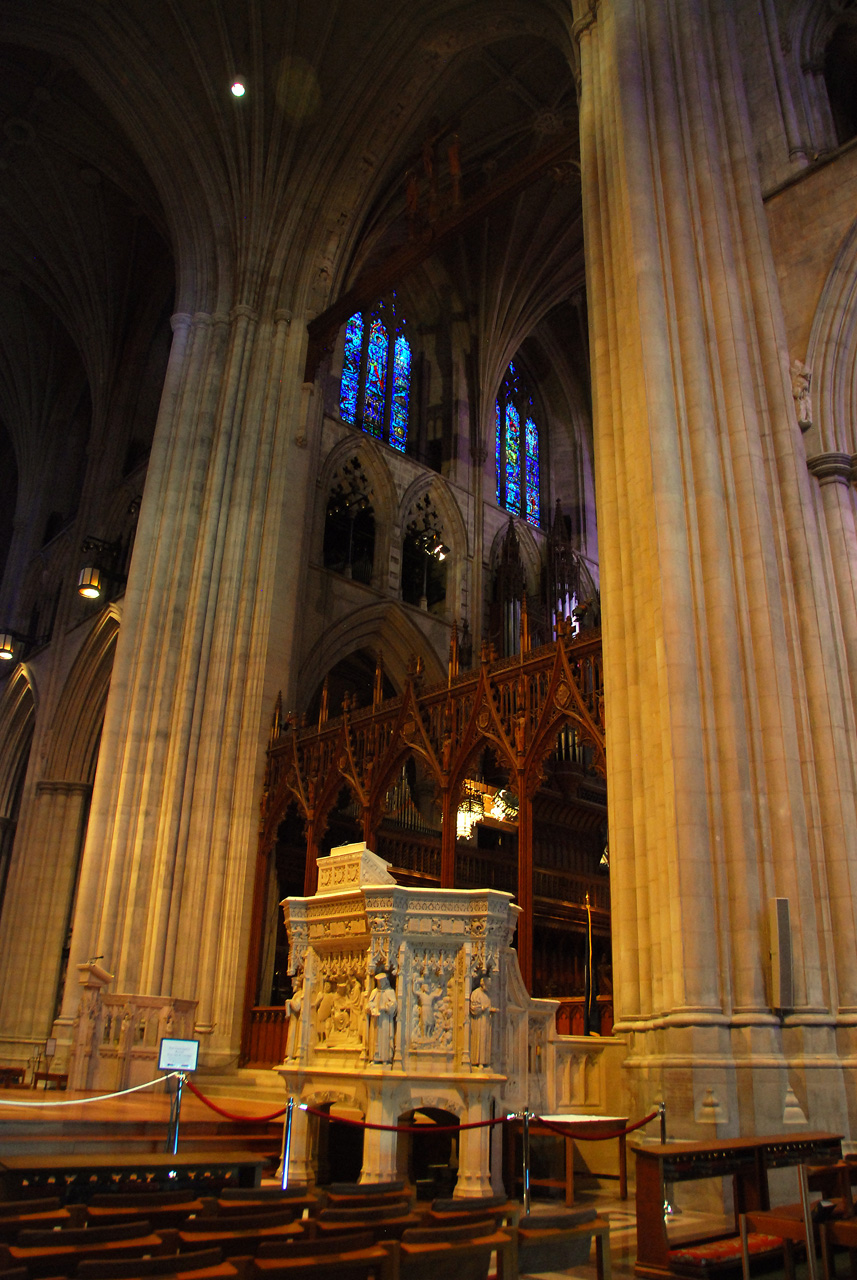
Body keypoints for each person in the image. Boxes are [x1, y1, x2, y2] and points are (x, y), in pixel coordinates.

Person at [367, 972, 397, 1063]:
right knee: (375, 1038)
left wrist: (385, 1007)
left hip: (385, 1019)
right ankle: (375, 1057)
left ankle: (385, 1058)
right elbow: (369, 1003)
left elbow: (394, 1004)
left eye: (381, 981)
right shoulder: (374, 992)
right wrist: (372, 1008)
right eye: (378, 982)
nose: (379, 983)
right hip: (375, 1019)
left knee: (384, 1038)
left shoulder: (390, 991)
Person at [470, 975, 497, 1067]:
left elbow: (488, 1006)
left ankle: (485, 1061)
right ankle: (478, 1061)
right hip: (479, 1021)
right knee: (480, 1040)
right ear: (483, 983)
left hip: (486, 1021)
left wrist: (491, 1010)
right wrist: (482, 1008)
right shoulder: (476, 993)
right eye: (488, 984)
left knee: (486, 1040)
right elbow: (473, 1008)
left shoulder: (487, 995)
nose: (489, 987)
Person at [285, 975, 302, 1060]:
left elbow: (297, 1006)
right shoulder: (297, 994)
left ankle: (296, 1055)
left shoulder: (301, 994)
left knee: (295, 1037)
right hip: (294, 1019)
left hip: (298, 1021)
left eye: (294, 985)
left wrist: (289, 1002)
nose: (292, 987)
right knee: (292, 1037)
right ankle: (291, 1055)